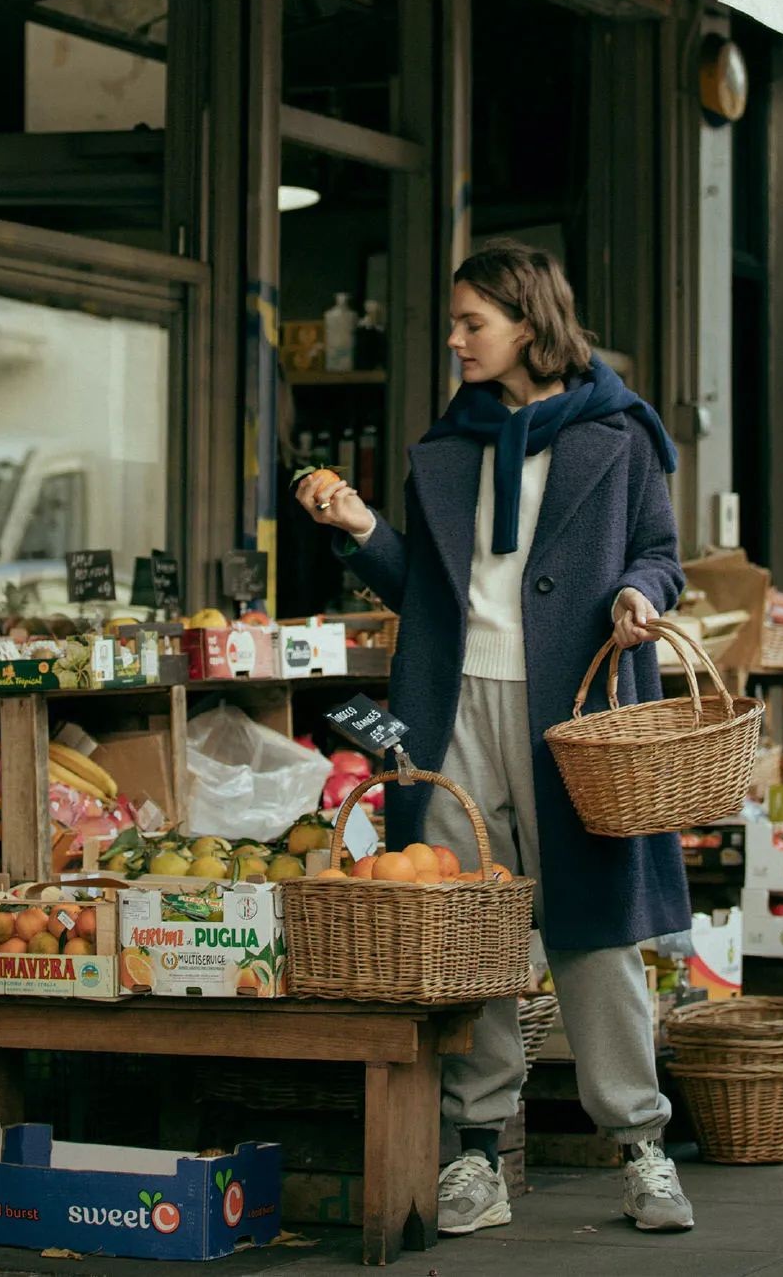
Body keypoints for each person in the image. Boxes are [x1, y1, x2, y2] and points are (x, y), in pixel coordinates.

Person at [297, 240, 693, 1236]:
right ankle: (478, 1154)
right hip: (453, 704)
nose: (458, 342)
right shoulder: (451, 443)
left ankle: (642, 1148)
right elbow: (422, 594)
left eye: (474, 323)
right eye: (457, 325)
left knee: (595, 934)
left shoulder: (619, 432)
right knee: (470, 928)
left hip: (576, 715)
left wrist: (643, 595)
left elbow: (659, 552)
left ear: (529, 321)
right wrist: (357, 525)